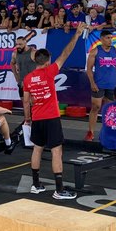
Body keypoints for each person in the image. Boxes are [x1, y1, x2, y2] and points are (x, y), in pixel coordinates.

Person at [24, 23, 85, 199]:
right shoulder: (50, 72)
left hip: (36, 118)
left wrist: (28, 118)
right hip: (51, 118)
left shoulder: (28, 78)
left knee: (37, 149)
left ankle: (36, 185)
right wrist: (76, 35)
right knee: (56, 151)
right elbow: (66, 53)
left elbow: (26, 101)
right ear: (48, 60)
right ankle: (59, 190)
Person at [85, 30, 116, 141]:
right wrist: (92, 83)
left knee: (110, 110)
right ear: (102, 39)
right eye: (108, 38)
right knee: (96, 107)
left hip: (112, 85)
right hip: (98, 85)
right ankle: (91, 132)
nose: (110, 40)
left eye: (111, 38)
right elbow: (88, 69)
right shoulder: (95, 51)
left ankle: (108, 132)